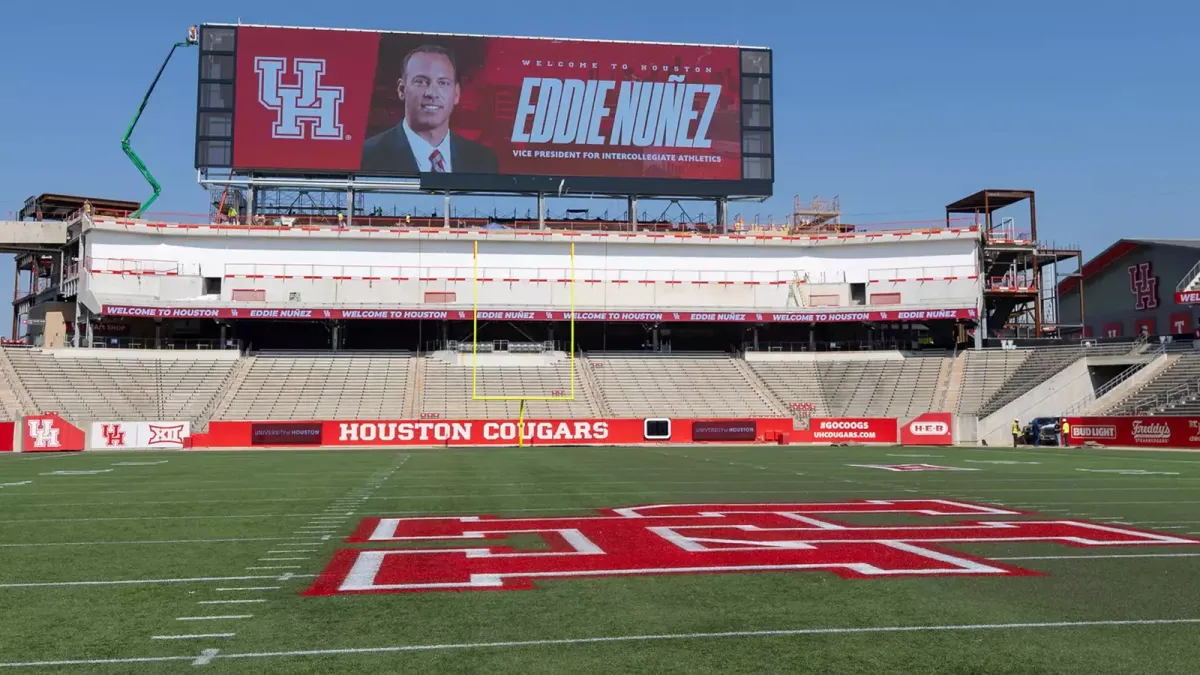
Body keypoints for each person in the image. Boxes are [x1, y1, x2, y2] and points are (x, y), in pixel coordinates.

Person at [361, 44, 498, 175]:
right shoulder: (367, 155)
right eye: (420, 81)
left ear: (456, 94)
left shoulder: (483, 160)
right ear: (401, 89)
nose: (432, 93)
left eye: (443, 83)